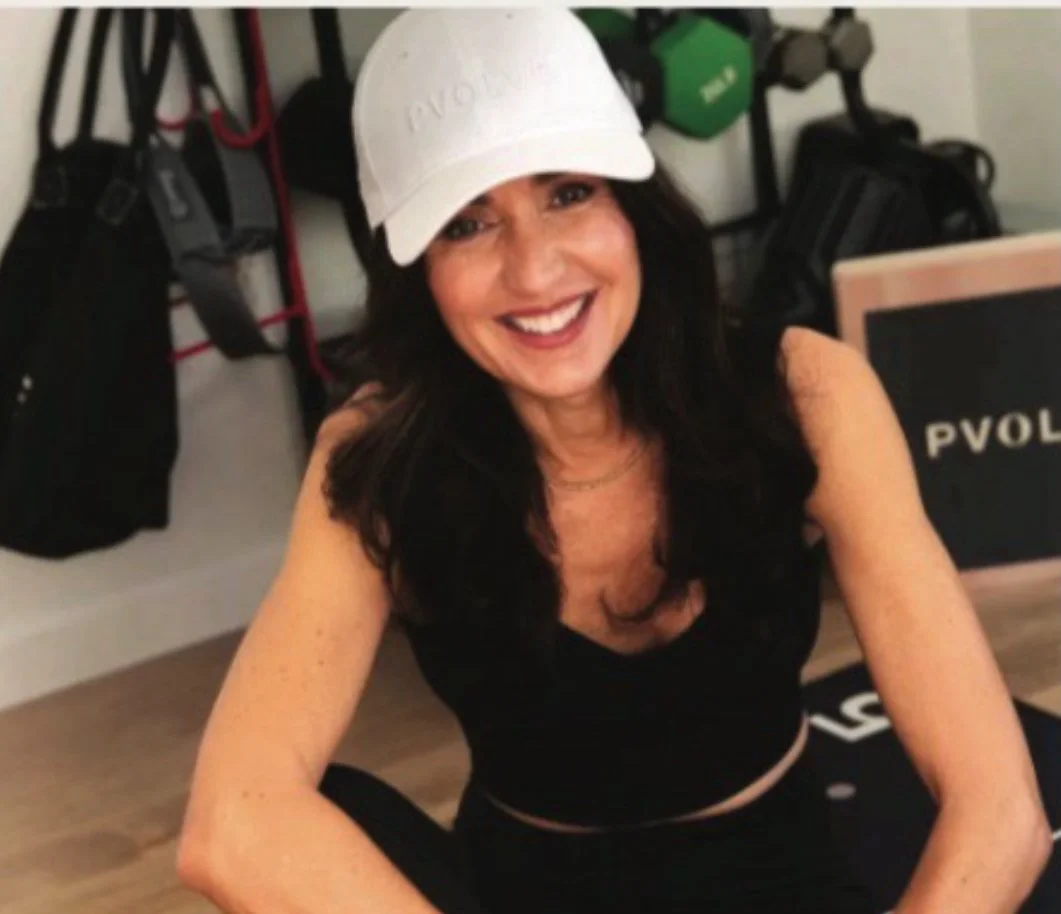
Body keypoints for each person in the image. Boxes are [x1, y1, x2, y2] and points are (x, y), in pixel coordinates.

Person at [175, 9, 1052, 914]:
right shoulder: (378, 459)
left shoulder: (806, 393)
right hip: (515, 891)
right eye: (468, 225)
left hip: (772, 882)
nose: (535, 269)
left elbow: (1002, 810)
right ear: (418, 272)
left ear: (636, 208)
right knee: (313, 814)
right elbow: (229, 828)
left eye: (567, 194)